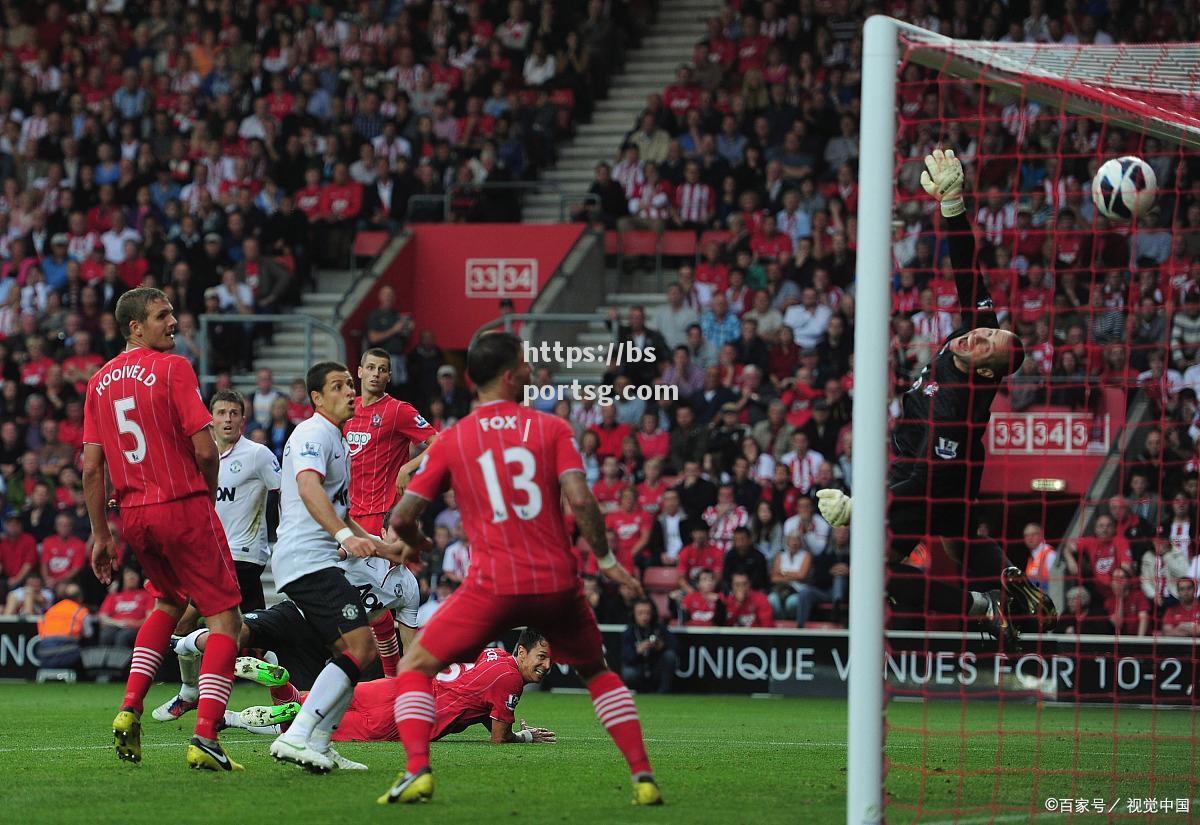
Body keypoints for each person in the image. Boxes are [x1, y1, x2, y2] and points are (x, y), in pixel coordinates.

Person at [376, 331, 662, 806]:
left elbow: (403, 515)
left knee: (413, 666)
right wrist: (607, 561)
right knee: (598, 672)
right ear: (511, 375)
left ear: (471, 378)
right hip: (555, 581)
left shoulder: (455, 438)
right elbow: (581, 500)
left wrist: (416, 544)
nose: (531, 372)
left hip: (491, 584)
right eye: (526, 366)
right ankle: (643, 778)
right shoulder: (551, 429)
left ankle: (417, 771)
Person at [816, 150, 1051, 646]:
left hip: (932, 471)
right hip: (954, 465)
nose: (978, 337)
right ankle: (1007, 575)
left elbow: (927, 479)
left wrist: (863, 509)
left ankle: (983, 605)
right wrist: (952, 203)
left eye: (987, 343)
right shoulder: (974, 333)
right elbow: (969, 267)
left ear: (988, 369)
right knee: (958, 536)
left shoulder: (955, 404)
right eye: (987, 331)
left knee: (873, 571)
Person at [82, 287, 244, 771]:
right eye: (161, 315)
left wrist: (101, 535)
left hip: (133, 516)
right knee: (226, 622)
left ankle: (129, 708)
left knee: (168, 602)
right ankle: (206, 737)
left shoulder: (97, 383)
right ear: (135, 327)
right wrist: (207, 499)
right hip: (181, 505)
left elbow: (93, 468)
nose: (173, 322)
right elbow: (205, 451)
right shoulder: (173, 369)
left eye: (172, 313)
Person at [266, 361, 401, 773]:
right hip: (308, 560)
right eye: (339, 386)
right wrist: (344, 539)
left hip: (316, 560)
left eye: (349, 385)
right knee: (361, 647)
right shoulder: (313, 432)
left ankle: (321, 744)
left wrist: (382, 549)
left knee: (348, 654)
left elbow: (340, 509)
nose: (349, 393)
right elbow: (308, 488)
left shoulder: (336, 440)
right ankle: (296, 735)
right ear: (317, 398)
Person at [151, 389, 281, 722]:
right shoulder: (201, 455)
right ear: (211, 418)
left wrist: (285, 535)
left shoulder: (258, 455)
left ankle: (190, 692)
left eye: (234, 413)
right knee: (257, 634)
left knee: (186, 619)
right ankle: (292, 702)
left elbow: (285, 493)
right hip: (207, 554)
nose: (227, 419)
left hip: (242, 555)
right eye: (221, 413)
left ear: (243, 418)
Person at [228, 629, 557, 744]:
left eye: (550, 660)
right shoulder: (511, 679)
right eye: (541, 657)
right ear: (523, 652)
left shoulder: (494, 655)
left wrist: (495, 718)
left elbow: (479, 700)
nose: (546, 666)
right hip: (401, 718)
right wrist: (524, 736)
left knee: (309, 703)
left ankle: (229, 716)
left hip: (393, 688)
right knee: (305, 732)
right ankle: (281, 694)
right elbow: (500, 739)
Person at [345, 348, 438, 675]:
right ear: (358, 372)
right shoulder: (346, 410)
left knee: (379, 603)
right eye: (370, 367)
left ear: (388, 376)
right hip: (347, 519)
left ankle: (405, 682)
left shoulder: (398, 411)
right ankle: (390, 676)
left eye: (382, 369)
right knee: (362, 607)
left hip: (382, 522)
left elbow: (438, 443)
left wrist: (408, 467)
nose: (375, 374)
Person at [620, 599, 677, 693]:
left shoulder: (659, 627)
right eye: (640, 613)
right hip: (639, 669)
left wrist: (662, 646)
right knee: (628, 673)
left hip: (656, 668)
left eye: (647, 613)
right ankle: (641, 691)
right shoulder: (629, 631)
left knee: (670, 655)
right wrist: (638, 651)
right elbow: (624, 657)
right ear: (633, 614)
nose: (644, 617)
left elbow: (676, 646)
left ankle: (663, 693)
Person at [97, 568, 154, 648]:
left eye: (134, 574)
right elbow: (103, 618)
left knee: (123, 636)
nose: (131, 577)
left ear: (139, 578)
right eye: (128, 574)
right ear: (123, 578)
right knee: (106, 635)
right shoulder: (113, 596)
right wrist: (118, 623)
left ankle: (121, 660)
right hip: (115, 625)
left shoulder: (146, 595)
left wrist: (135, 623)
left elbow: (150, 618)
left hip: (135, 629)